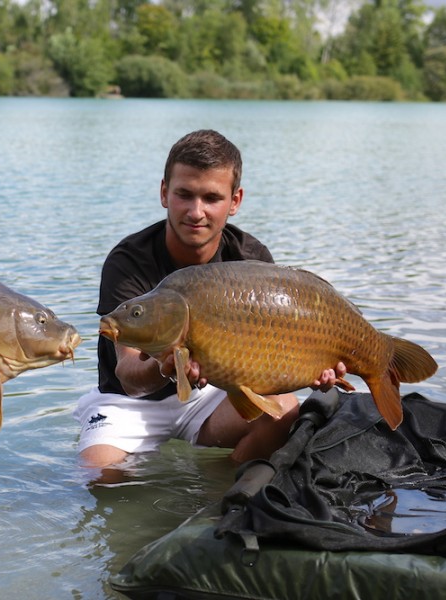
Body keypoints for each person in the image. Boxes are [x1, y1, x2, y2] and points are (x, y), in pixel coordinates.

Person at [75, 130, 345, 471]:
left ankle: (217, 498)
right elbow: (128, 374)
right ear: (164, 193)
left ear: (235, 201)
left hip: (208, 396)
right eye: (184, 195)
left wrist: (310, 368)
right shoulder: (128, 261)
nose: (196, 211)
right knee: (99, 475)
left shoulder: (250, 259)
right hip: (128, 403)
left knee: (285, 411)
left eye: (211, 198)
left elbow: (267, 365)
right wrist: (164, 366)